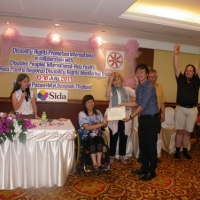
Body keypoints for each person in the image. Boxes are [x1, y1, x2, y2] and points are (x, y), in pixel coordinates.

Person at [123, 64, 159, 181]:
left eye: (142, 72)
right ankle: (144, 168)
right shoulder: (139, 87)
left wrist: (131, 116)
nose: (139, 74)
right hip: (143, 119)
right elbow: (137, 103)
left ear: (147, 74)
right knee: (143, 145)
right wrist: (125, 104)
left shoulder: (149, 87)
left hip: (152, 120)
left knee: (151, 146)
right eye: (137, 72)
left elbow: (142, 106)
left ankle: (152, 171)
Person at [173, 44, 200, 159]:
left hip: (192, 110)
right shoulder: (180, 79)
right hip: (180, 109)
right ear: (185, 71)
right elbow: (176, 66)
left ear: (194, 73)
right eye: (187, 70)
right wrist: (175, 54)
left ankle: (185, 151)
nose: (189, 72)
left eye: (191, 71)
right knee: (180, 131)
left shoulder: (197, 80)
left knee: (188, 132)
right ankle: (177, 151)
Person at [105, 72, 136, 165]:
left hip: (124, 117)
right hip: (114, 118)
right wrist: (110, 82)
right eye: (114, 80)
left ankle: (122, 156)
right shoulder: (111, 90)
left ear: (121, 79)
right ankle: (112, 156)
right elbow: (107, 95)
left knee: (124, 137)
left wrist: (137, 82)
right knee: (113, 137)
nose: (117, 81)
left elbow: (136, 94)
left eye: (118, 79)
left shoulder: (126, 89)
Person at [78, 95, 108, 170]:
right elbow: (87, 127)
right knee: (91, 141)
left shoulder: (98, 112)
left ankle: (99, 163)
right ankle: (94, 163)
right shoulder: (82, 114)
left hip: (97, 136)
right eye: (88, 102)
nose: (91, 104)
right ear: (84, 104)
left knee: (99, 140)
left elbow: (104, 126)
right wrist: (101, 124)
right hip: (86, 137)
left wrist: (105, 122)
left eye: (92, 101)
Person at [148, 69, 166, 162]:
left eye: (153, 77)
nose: (151, 79)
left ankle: (154, 157)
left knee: (154, 137)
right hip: (146, 116)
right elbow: (137, 102)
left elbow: (162, 102)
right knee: (146, 137)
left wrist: (163, 114)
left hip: (156, 115)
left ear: (156, 78)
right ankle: (144, 157)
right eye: (150, 77)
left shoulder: (160, 87)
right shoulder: (144, 86)